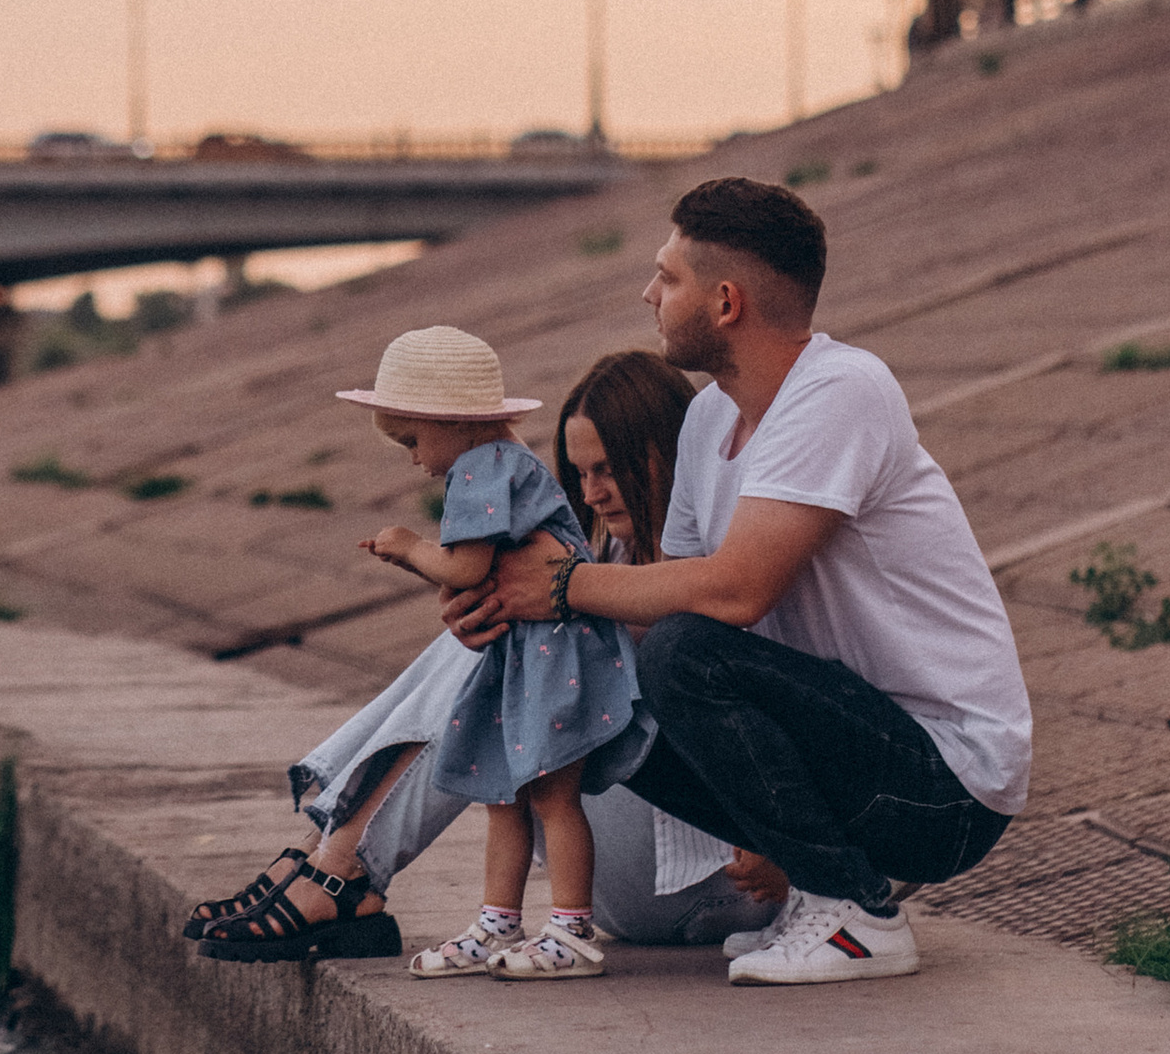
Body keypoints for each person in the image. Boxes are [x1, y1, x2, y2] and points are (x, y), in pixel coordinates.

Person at [444, 176, 1030, 986]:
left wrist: (564, 586)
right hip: (851, 749)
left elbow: (734, 593)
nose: (649, 294)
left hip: (944, 783)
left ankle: (854, 915)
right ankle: (818, 895)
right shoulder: (711, 417)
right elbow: (662, 600)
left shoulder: (841, 390)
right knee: (614, 684)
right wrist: (512, 614)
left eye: (667, 277)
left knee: (683, 653)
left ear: (726, 302)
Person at [185, 346, 762, 956]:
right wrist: (474, 609)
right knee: (501, 633)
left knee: (511, 635)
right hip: (622, 863)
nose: (592, 493)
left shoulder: (726, 560)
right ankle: (326, 852)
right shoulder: (607, 557)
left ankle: (340, 868)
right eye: (581, 473)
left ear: (669, 452)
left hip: (709, 881)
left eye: (611, 470)